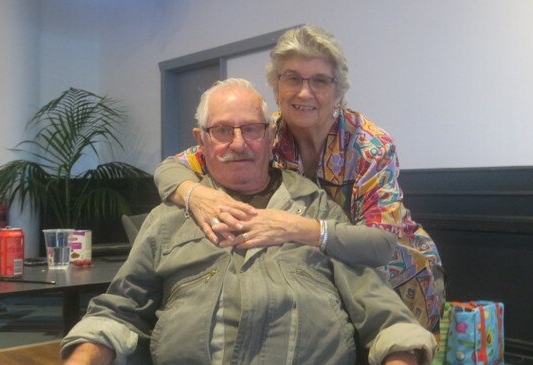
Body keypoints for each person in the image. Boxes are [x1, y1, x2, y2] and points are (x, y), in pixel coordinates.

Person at [61, 79, 436, 365]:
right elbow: (115, 312)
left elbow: (386, 319)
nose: (238, 143)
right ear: (201, 141)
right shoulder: (168, 220)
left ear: (270, 136)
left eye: (251, 129)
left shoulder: (319, 210)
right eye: (222, 130)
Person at [154, 25, 445, 333]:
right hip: (327, 278)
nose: (304, 92)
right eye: (292, 78)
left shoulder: (369, 146)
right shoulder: (265, 134)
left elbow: (382, 244)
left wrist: (295, 227)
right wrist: (197, 196)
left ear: (338, 91)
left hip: (394, 279)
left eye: (319, 80)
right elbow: (170, 168)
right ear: (277, 88)